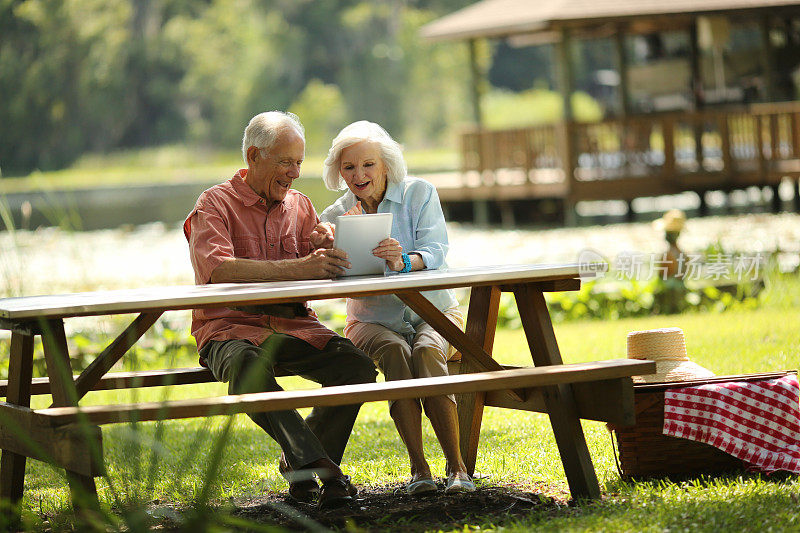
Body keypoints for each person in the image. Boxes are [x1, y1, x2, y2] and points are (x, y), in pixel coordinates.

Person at [183, 111, 377, 508]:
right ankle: (324, 469)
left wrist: (328, 246)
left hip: (294, 326)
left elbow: (317, 262)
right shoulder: (214, 204)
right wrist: (299, 266)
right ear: (254, 156)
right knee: (247, 366)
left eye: (299, 162)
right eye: (285, 162)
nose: (294, 173)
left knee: (356, 367)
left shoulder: (301, 205)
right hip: (228, 329)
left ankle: (301, 464)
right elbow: (217, 269)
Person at [319, 121, 475, 494]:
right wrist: (322, 245)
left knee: (424, 348)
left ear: (386, 164)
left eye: (368, 165)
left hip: (435, 312)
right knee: (394, 350)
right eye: (349, 168)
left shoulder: (420, 193)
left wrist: (406, 261)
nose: (359, 175)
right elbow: (325, 270)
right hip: (371, 321)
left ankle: (458, 470)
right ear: (339, 173)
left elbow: (437, 250)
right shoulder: (335, 214)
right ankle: (420, 471)